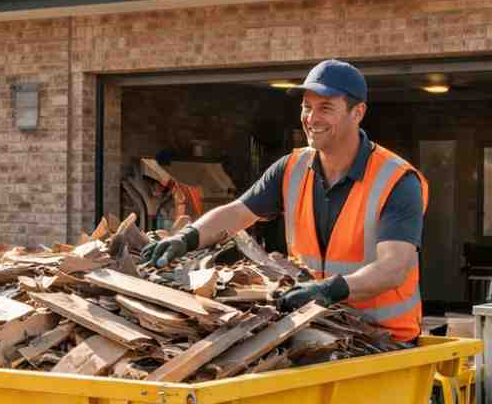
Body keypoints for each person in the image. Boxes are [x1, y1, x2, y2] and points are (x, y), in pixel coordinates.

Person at [142, 59, 428, 343]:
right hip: (320, 329)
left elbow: (394, 268)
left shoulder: (397, 181)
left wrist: (329, 290)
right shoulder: (292, 167)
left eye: (326, 108)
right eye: (307, 106)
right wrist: (186, 238)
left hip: (386, 342)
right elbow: (238, 212)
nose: (312, 118)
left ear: (358, 113)